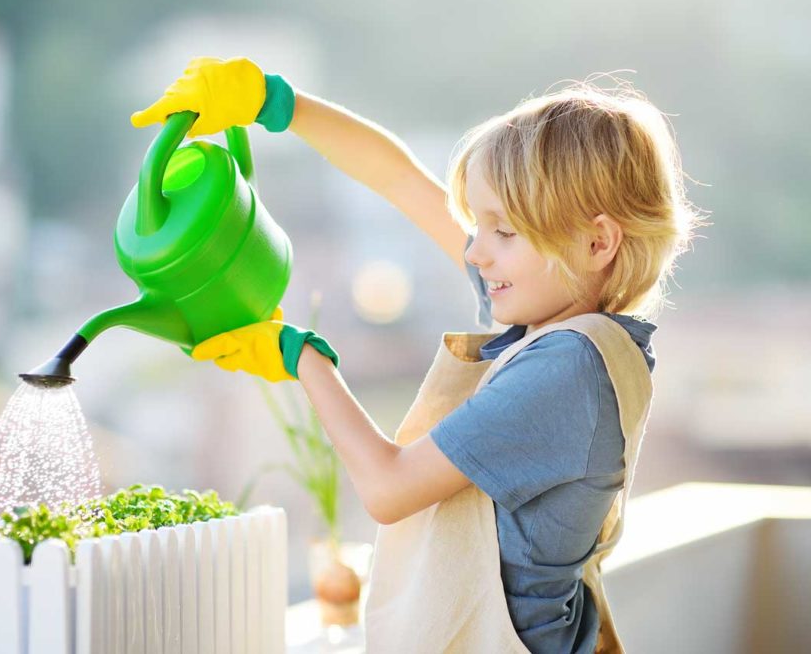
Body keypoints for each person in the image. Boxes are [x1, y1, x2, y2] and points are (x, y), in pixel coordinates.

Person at [132, 57, 705, 653]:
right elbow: (400, 180)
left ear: (597, 241)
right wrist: (277, 103)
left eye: (503, 233)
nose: (477, 254)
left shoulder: (567, 368)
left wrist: (301, 357)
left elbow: (388, 488)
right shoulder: (569, 326)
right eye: (478, 228)